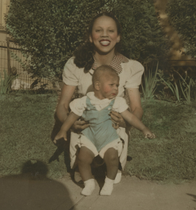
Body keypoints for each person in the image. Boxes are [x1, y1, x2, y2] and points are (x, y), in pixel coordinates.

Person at [55, 11, 145, 186]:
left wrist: (127, 123)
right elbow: (62, 105)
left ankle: (113, 164)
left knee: (113, 140)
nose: (105, 35)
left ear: (118, 37)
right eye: (99, 30)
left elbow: (137, 107)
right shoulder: (75, 65)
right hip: (86, 125)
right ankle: (85, 164)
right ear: (90, 37)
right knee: (83, 155)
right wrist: (69, 122)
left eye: (111, 31)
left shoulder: (130, 67)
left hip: (113, 126)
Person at [54, 65, 155, 196]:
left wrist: (144, 129)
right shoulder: (84, 101)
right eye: (112, 85)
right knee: (83, 159)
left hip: (109, 138)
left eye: (117, 85)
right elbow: (72, 116)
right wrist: (63, 130)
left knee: (112, 157)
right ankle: (89, 182)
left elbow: (130, 117)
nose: (116, 89)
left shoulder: (117, 102)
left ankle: (109, 182)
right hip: (89, 137)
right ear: (97, 86)